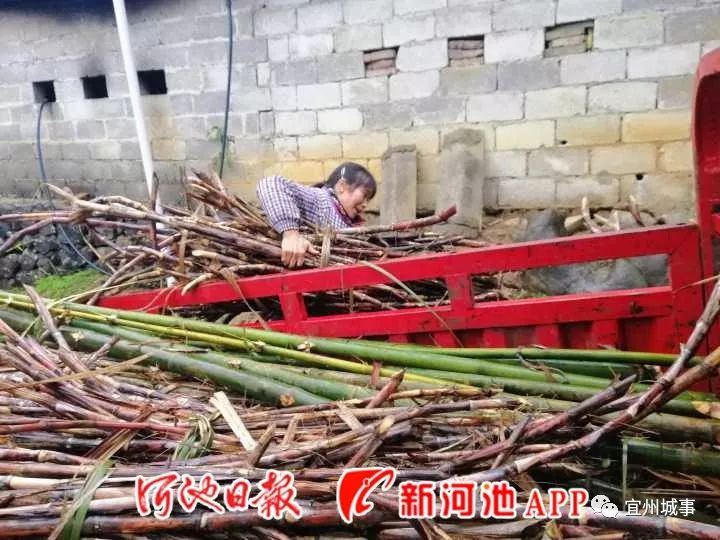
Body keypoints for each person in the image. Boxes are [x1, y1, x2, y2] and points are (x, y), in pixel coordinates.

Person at [257, 162, 377, 268]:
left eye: (368, 200)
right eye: (365, 195)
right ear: (342, 187)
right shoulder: (320, 200)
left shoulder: (348, 220)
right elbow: (271, 184)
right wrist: (291, 234)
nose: (365, 204)